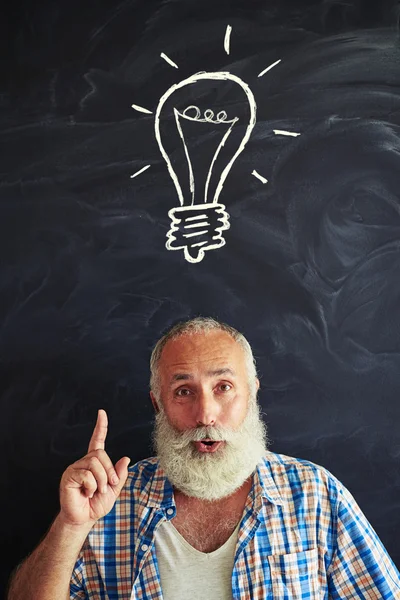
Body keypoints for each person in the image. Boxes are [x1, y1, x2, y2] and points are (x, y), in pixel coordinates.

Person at [7, 317, 400, 599]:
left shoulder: (316, 494)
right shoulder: (111, 501)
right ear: (157, 403)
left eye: (224, 387)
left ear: (252, 394)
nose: (206, 414)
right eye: (183, 392)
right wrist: (71, 525)